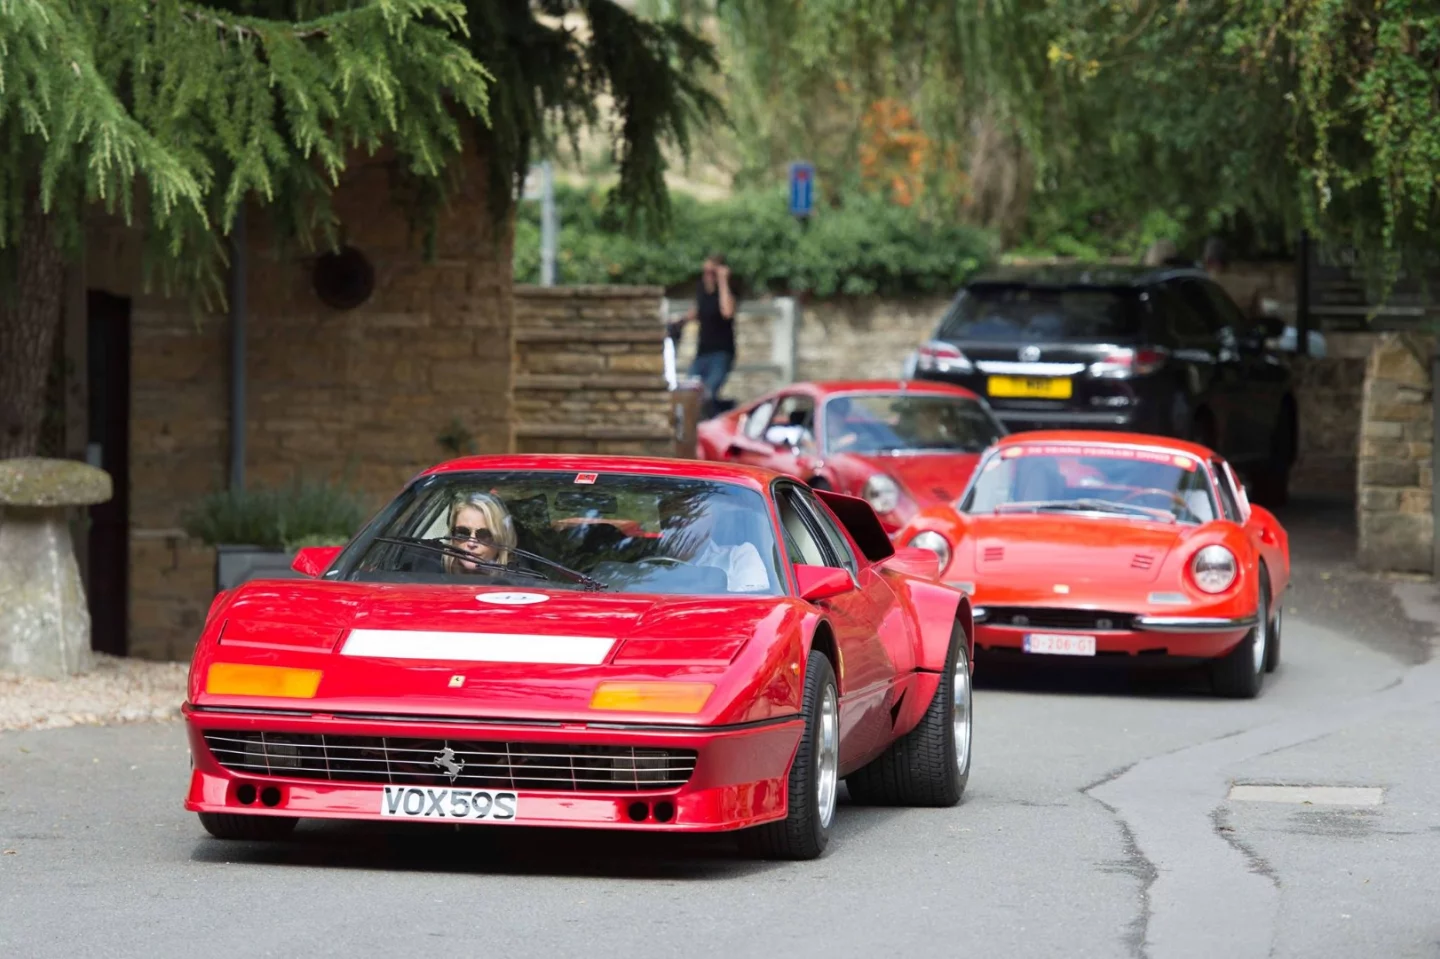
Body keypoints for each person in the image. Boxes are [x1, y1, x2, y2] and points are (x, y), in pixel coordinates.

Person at [680, 252, 737, 417]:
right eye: (706, 272)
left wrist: (723, 281)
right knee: (688, 393)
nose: (708, 276)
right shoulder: (701, 290)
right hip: (702, 353)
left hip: (721, 353)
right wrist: (680, 321)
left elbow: (727, 311)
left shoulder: (726, 291)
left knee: (708, 394)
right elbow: (698, 311)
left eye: (712, 273)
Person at [443, 491, 518, 574]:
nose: (471, 544)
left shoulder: (519, 583)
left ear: (501, 539)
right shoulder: (431, 571)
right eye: (463, 533)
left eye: (484, 535)